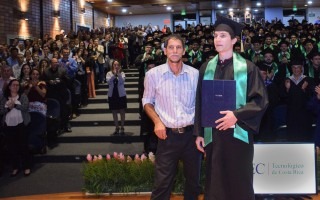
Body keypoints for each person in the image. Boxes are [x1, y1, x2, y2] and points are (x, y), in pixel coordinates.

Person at [194, 15, 268, 200]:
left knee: (239, 182)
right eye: (215, 35)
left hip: (238, 135)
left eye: (223, 36)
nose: (217, 39)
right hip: (214, 136)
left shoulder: (249, 68)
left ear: (234, 40)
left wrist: (236, 115)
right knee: (215, 182)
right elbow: (199, 101)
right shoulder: (205, 68)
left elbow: (260, 101)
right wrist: (199, 133)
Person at [142, 34, 201, 200]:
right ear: (164, 50)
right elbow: (147, 101)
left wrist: (201, 133)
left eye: (178, 47)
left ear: (184, 50)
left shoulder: (195, 74)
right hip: (167, 136)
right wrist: (157, 121)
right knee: (162, 184)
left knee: (194, 184)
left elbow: (201, 105)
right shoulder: (153, 74)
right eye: (171, 47)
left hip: (191, 136)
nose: (175, 51)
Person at [0, 79, 32, 177]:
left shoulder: (23, 96)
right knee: (12, 148)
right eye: (13, 85)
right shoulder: (4, 98)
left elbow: (25, 107)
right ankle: (15, 167)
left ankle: (26, 167)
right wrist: (9, 108)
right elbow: (1, 111)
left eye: (17, 85)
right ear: (9, 87)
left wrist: (15, 105)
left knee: (23, 146)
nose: (16, 87)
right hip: (8, 125)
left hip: (21, 124)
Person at [106, 60, 127, 135]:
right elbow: (109, 82)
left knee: (122, 111)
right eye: (115, 65)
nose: (116, 66)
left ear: (120, 66)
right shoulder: (109, 73)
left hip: (121, 94)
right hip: (112, 94)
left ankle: (122, 126)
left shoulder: (122, 73)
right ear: (112, 66)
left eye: (117, 64)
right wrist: (114, 75)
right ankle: (117, 127)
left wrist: (118, 74)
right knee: (114, 111)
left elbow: (122, 81)